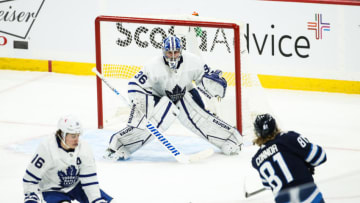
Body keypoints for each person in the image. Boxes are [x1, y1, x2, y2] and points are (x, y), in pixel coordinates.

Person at [104, 35, 243, 160]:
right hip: (159, 96)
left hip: (185, 92)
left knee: (201, 117)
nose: (172, 56)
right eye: (169, 52)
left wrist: (211, 85)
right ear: (163, 52)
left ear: (181, 51)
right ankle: (118, 146)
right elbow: (135, 84)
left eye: (175, 52)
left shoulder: (193, 61)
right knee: (150, 123)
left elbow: (205, 76)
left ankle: (230, 140)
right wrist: (139, 102)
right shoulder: (152, 66)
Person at [23, 115, 113, 203]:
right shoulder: (47, 148)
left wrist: (96, 199)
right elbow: (30, 178)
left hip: (76, 186)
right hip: (51, 189)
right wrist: (31, 196)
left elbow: (90, 179)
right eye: (73, 136)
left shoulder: (84, 148)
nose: (77, 140)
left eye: (78, 135)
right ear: (62, 135)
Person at [251, 113, 327, 203]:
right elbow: (321, 156)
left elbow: (267, 185)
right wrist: (306, 164)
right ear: (275, 126)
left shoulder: (257, 160)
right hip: (310, 197)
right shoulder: (289, 138)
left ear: (257, 133)